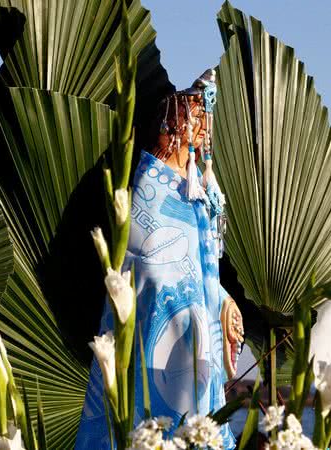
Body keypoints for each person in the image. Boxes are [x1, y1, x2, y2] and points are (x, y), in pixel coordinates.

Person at [75, 70, 244, 449]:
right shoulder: (150, 184)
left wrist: (220, 300)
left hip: (193, 334)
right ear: (176, 123)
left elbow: (201, 263)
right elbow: (144, 259)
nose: (204, 131)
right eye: (198, 119)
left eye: (206, 121)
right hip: (159, 324)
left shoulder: (194, 189)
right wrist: (183, 303)